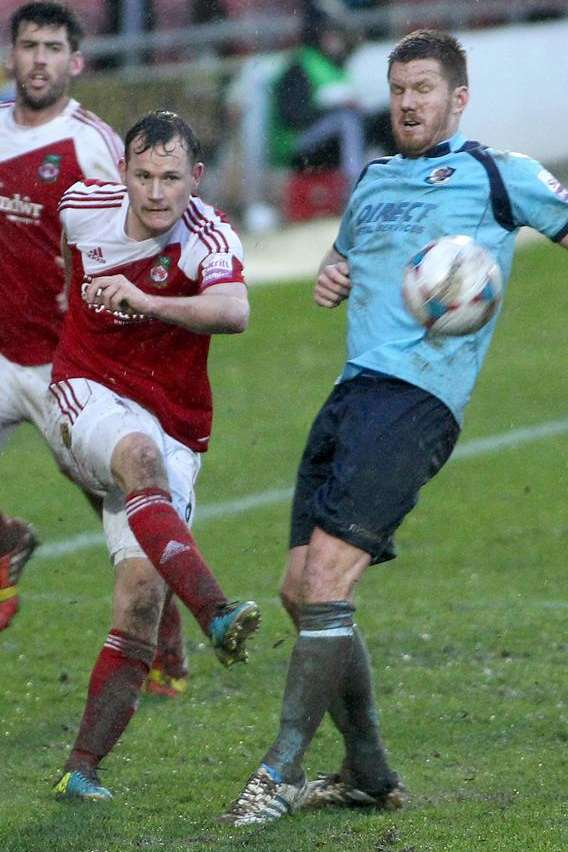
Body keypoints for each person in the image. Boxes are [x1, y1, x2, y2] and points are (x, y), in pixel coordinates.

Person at [222, 29, 568, 825]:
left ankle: (280, 769)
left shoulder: (497, 174)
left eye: (424, 89)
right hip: (350, 394)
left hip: (417, 400)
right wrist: (334, 272)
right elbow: (349, 260)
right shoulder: (373, 178)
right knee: (296, 589)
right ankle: (370, 770)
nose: (410, 104)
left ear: (458, 97)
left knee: (328, 581)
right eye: (400, 89)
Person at [45, 109, 260, 801]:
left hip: (176, 425)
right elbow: (44, 248)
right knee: (137, 456)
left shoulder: (207, 235)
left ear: (194, 178)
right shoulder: (84, 208)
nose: (157, 192)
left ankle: (82, 770)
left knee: (139, 599)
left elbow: (234, 312)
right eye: (143, 175)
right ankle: (217, 612)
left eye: (171, 177)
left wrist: (144, 299)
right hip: (86, 393)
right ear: (123, 173)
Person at [0, 2, 188, 701]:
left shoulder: (92, 144)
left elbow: (139, 238)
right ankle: (5, 542)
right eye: (29, 46)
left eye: (54, 47)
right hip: (0, 349)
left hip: (64, 362)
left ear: (76, 62)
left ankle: (165, 643)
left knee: (112, 498)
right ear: (12, 55)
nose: (40, 59)